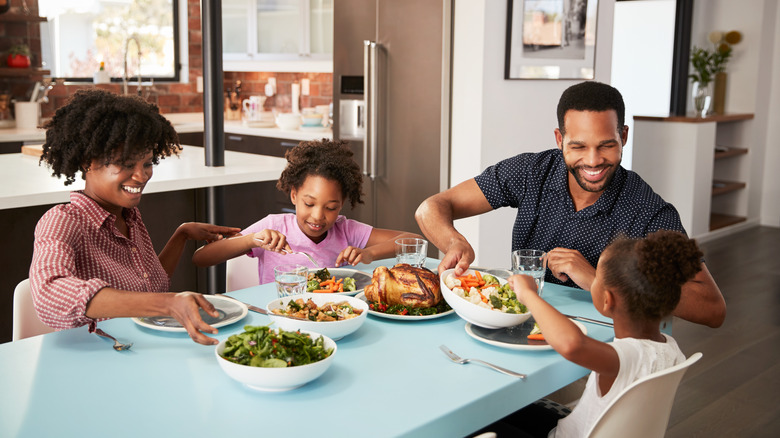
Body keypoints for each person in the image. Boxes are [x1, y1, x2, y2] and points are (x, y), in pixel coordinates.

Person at [415, 81, 725, 328]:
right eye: (578, 146)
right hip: (517, 325)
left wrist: (598, 280)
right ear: (559, 139)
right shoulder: (530, 172)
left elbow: (712, 309)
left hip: (595, 351)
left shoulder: (648, 210)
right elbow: (431, 207)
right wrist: (454, 241)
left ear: (624, 137)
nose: (593, 161)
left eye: (606, 145)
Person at [31, 89, 241, 345]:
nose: (141, 176)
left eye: (147, 163)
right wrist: (166, 304)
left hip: (136, 347)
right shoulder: (63, 221)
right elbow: (49, 294)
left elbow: (151, 287)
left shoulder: (130, 217)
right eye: (126, 164)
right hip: (96, 355)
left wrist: (182, 234)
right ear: (87, 161)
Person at [493, 230, 701, 437]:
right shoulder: (670, 348)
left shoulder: (624, 357)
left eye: (597, 278)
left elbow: (573, 344)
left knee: (483, 422)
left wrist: (528, 294)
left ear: (607, 299)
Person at [192, 139, 421, 283]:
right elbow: (201, 257)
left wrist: (369, 254)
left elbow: (415, 240)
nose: (318, 216)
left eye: (331, 207)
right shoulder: (274, 226)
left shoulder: (347, 231)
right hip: (277, 319)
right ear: (293, 195)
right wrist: (252, 240)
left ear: (341, 204)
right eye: (309, 204)